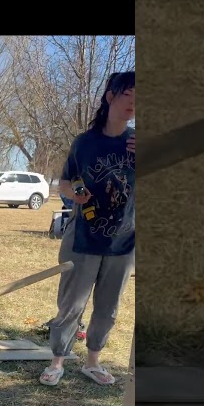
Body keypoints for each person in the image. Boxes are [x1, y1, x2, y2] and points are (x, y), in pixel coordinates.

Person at [40, 71, 136, 387]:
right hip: (83, 238)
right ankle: (58, 361)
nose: (134, 103)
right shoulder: (84, 142)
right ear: (110, 96)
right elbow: (65, 181)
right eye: (128, 94)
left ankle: (92, 362)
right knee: (71, 304)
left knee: (108, 308)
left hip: (123, 242)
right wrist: (73, 193)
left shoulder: (139, 142)